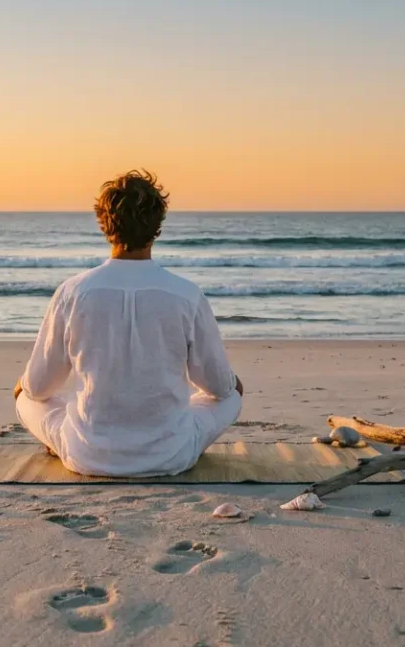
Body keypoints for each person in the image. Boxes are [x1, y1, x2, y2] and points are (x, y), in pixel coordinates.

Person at [13, 170, 244, 477]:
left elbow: (41, 387)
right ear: (157, 227)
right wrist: (233, 385)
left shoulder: (72, 292)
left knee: (27, 397)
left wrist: (23, 387)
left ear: (105, 224)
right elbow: (215, 386)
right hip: (171, 455)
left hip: (87, 455)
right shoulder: (186, 294)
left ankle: (66, 442)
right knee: (231, 395)